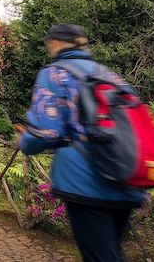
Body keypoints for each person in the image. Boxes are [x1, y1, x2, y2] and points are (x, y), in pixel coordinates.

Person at [18, 24, 147, 262]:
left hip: (85, 180)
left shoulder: (54, 74)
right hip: (126, 175)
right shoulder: (109, 75)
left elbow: (45, 133)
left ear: (55, 43)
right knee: (110, 253)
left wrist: (24, 141)